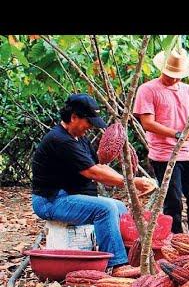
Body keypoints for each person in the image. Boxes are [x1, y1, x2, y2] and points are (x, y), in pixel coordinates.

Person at [31, 94, 157, 269]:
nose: (90, 127)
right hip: (51, 201)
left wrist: (131, 182)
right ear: (73, 117)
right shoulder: (59, 140)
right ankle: (118, 265)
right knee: (105, 209)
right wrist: (132, 182)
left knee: (119, 208)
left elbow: (98, 166)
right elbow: (93, 172)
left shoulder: (79, 138)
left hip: (68, 197)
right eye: (88, 122)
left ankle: (133, 257)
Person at [133, 47, 189, 234]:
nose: (174, 78)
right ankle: (175, 240)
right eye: (170, 74)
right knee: (172, 201)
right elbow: (148, 123)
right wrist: (176, 134)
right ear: (162, 68)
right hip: (163, 154)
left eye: (178, 75)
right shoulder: (147, 89)